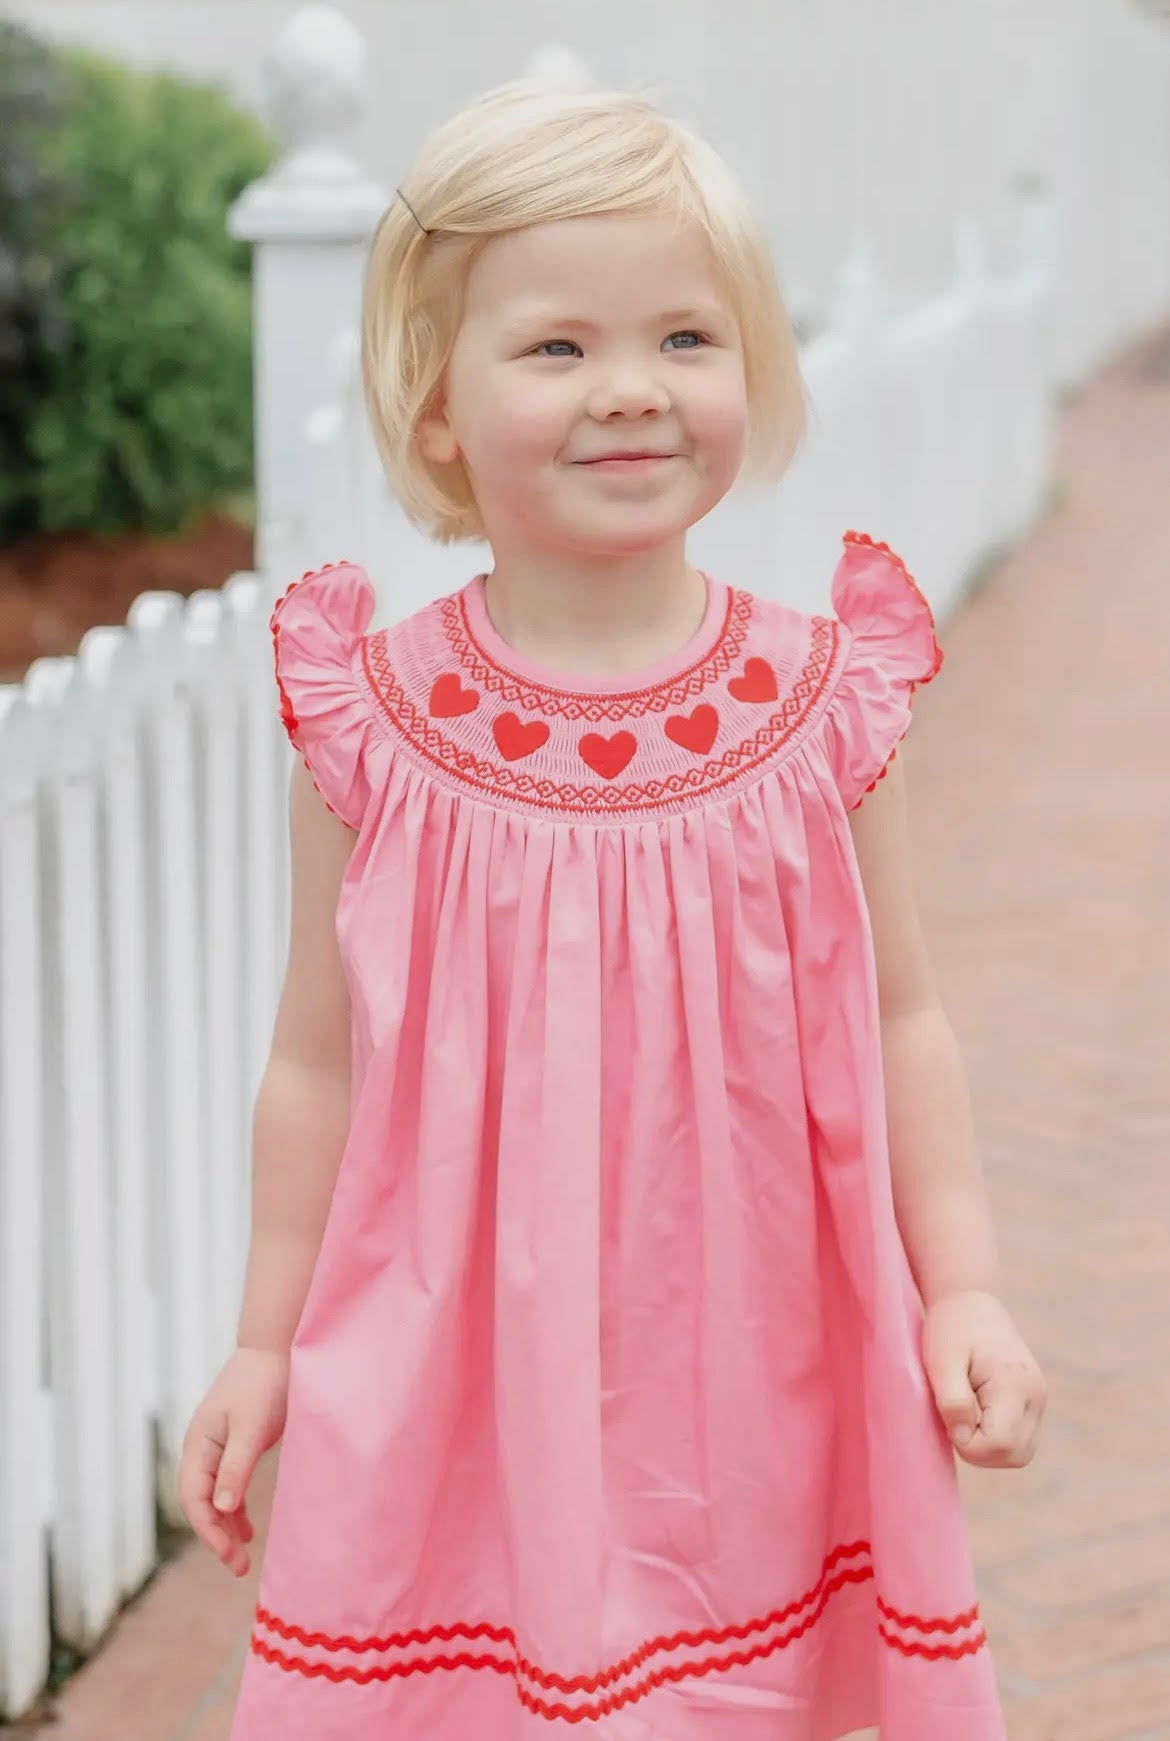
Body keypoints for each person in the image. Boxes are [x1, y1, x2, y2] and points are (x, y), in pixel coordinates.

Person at [179, 81, 1046, 1741]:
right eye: (556, 346)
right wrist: (262, 1344)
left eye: (684, 338)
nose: (632, 389)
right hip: (464, 1362)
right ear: (435, 403)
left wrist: (965, 1287)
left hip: (754, 1355)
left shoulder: (820, 705)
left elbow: (900, 1014)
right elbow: (314, 1062)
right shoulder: (377, 725)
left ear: (751, 368)